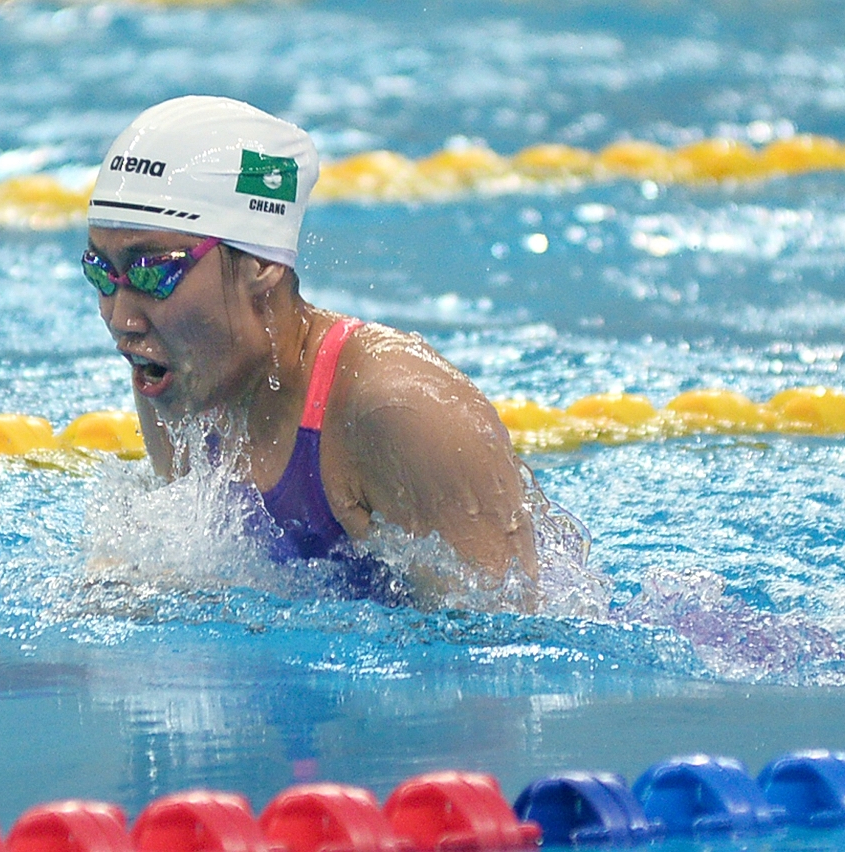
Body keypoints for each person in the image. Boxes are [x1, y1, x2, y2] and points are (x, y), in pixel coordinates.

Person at [84, 95, 542, 612]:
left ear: (260, 264)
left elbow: (512, 635)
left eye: (153, 273)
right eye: (101, 273)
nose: (121, 318)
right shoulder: (175, 376)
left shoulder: (397, 411)